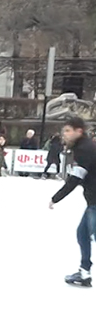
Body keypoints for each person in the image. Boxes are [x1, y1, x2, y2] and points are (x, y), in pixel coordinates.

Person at [49, 116, 96, 288]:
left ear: (79, 131)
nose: (65, 134)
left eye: (68, 131)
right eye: (64, 131)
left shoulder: (85, 148)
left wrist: (56, 198)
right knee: (82, 234)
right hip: (92, 200)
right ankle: (84, 272)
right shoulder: (83, 146)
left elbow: (75, 178)